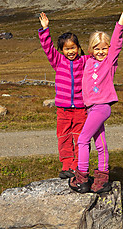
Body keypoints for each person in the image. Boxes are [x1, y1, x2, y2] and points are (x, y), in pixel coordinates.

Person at [69, 5, 123, 193]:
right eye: (97, 48)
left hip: (101, 107)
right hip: (91, 108)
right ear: (91, 48)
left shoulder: (109, 63)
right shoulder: (88, 61)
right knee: (100, 144)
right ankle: (102, 180)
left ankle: (81, 177)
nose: (101, 51)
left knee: (83, 140)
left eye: (104, 48)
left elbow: (117, 42)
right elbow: (70, 55)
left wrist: (122, 18)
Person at [38, 12, 88, 179]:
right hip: (63, 109)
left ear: (78, 47)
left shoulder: (84, 62)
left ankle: (76, 166)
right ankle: (66, 164)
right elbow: (47, 48)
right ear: (61, 50)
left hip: (81, 108)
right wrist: (45, 29)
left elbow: (100, 55)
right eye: (66, 48)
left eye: (73, 47)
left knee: (80, 139)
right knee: (64, 137)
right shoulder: (58, 61)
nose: (70, 51)